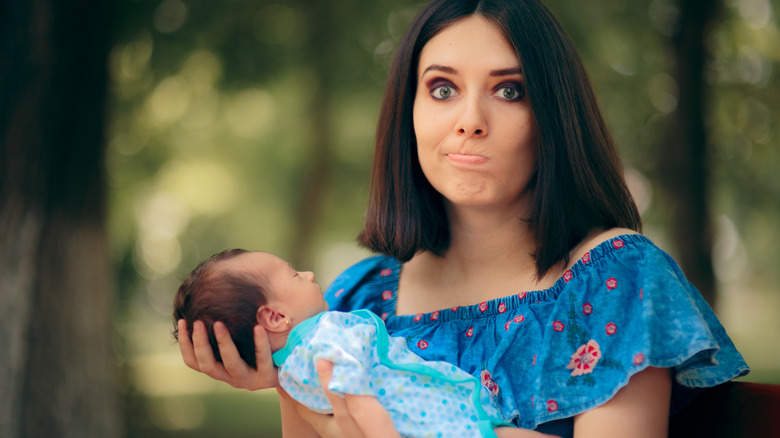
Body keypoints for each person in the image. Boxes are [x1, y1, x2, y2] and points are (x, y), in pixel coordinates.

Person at [176, 1, 750, 437]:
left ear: (553, 114)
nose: (470, 120)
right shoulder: (357, 298)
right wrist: (289, 378)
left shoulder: (616, 280)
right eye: (443, 88)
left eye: (510, 90)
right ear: (410, 112)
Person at [173, 248, 520, 438]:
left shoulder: (291, 372)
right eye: (295, 275)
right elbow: (354, 388)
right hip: (449, 422)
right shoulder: (327, 335)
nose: (309, 275)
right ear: (275, 318)